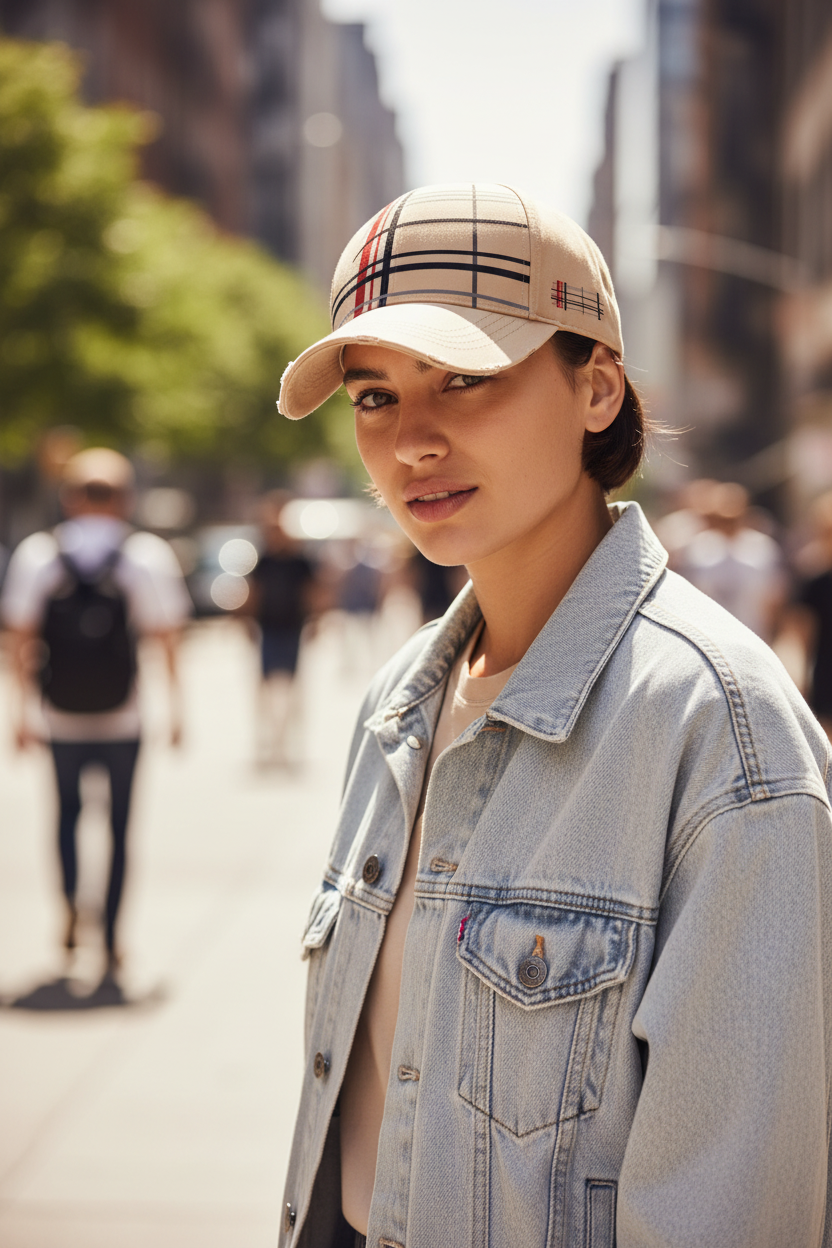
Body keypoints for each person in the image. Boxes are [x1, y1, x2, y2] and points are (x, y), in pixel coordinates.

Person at [274, 184, 832, 1247]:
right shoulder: (401, 698)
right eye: (375, 396)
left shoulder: (719, 732)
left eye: (466, 380)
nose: (412, 440)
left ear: (595, 390)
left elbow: (735, 1201)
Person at [2, 448, 190, 974]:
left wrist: (19, 714)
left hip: (58, 715)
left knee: (64, 818)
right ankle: (110, 938)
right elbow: (166, 637)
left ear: (69, 498)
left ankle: (68, 908)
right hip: (123, 717)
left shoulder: (40, 554)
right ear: (126, 499)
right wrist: (177, 709)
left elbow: (19, 639)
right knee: (120, 829)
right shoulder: (144, 555)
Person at [247, 490, 318, 767]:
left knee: (291, 688)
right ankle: (269, 739)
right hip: (268, 628)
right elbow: (254, 592)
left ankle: (285, 740)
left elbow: (312, 592)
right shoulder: (263, 558)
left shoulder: (299, 559)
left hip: (291, 628)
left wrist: (316, 622)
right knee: (264, 688)